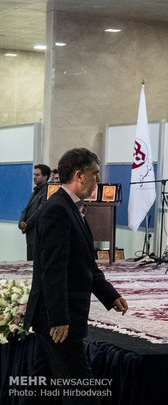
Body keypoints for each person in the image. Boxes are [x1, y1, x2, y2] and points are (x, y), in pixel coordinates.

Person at [23, 148, 128, 405]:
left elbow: (84, 264)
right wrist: (59, 318)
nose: (98, 181)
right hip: (59, 320)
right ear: (79, 175)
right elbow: (53, 269)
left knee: (42, 389)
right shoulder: (57, 209)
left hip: (58, 316)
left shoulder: (71, 207)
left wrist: (109, 294)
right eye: (95, 174)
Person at [19, 164, 51, 261]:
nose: (34, 177)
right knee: (30, 264)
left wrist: (27, 224)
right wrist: (21, 222)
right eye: (34, 174)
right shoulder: (34, 192)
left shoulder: (47, 192)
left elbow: (40, 211)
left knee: (35, 264)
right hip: (30, 235)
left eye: (37, 175)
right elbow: (26, 210)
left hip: (38, 234)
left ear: (45, 177)